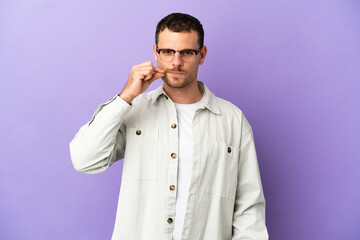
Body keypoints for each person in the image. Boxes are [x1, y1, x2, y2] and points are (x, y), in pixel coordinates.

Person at [70, 12, 268, 240]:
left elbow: (249, 208)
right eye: (168, 52)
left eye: (186, 52)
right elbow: (83, 159)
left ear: (202, 55)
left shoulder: (233, 120)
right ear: (156, 52)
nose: (176, 62)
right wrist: (126, 96)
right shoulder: (134, 108)